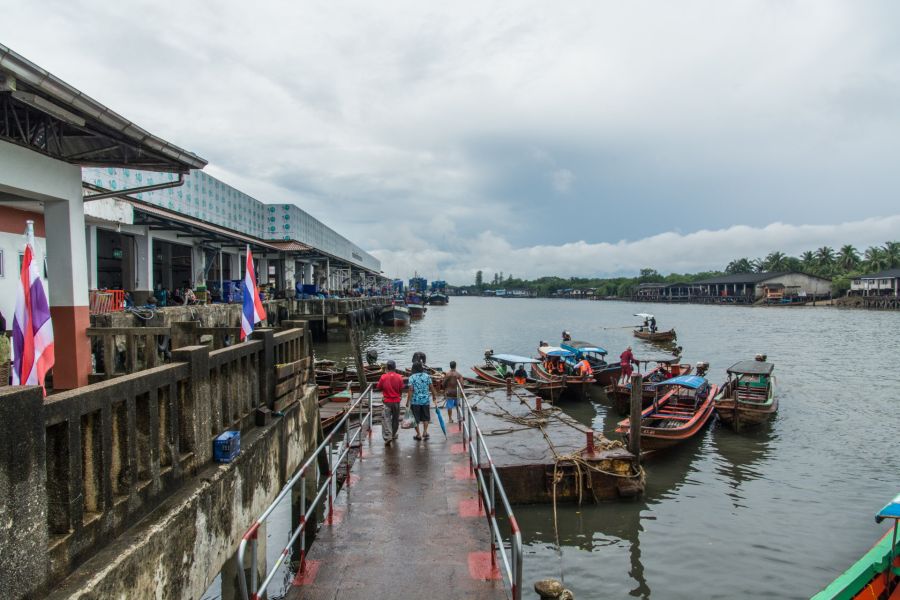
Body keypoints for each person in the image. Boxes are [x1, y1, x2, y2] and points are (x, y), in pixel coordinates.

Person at [406, 361, 438, 441]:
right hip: (425, 400)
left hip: (415, 401)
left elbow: (410, 390)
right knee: (426, 417)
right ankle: (425, 432)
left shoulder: (412, 377)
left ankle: (418, 434)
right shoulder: (427, 376)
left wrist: (408, 401)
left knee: (415, 419)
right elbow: (431, 387)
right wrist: (434, 396)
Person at [376, 360, 404, 445]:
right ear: (395, 367)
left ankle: (388, 436)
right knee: (395, 419)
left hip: (387, 401)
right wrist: (399, 396)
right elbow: (401, 389)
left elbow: (378, 387)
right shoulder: (399, 377)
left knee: (386, 419)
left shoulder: (383, 377)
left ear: (387, 368)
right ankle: (393, 434)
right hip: (396, 401)